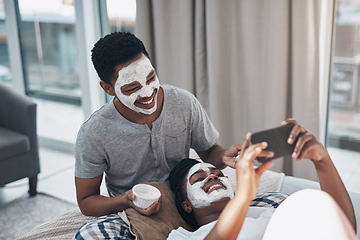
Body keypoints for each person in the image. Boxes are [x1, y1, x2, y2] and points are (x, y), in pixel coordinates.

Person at [73, 32, 270, 239]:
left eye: (151, 77)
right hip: (136, 208)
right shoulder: (94, 133)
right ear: (108, 88)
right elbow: (87, 200)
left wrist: (221, 157)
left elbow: (209, 151)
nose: (148, 93)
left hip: (186, 195)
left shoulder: (183, 103)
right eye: (132, 87)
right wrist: (126, 200)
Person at [167, 120, 357, 240]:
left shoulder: (268, 208)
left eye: (218, 173)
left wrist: (321, 160)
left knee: (310, 201)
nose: (213, 176)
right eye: (199, 178)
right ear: (186, 205)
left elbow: (345, 227)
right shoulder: (183, 237)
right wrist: (242, 197)